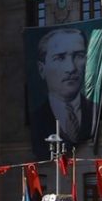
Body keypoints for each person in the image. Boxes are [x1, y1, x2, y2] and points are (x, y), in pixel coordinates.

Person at [29, 28, 93, 157]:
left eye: (79, 56)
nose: (71, 68)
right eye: (59, 58)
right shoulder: (36, 119)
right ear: (42, 69)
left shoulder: (95, 111)